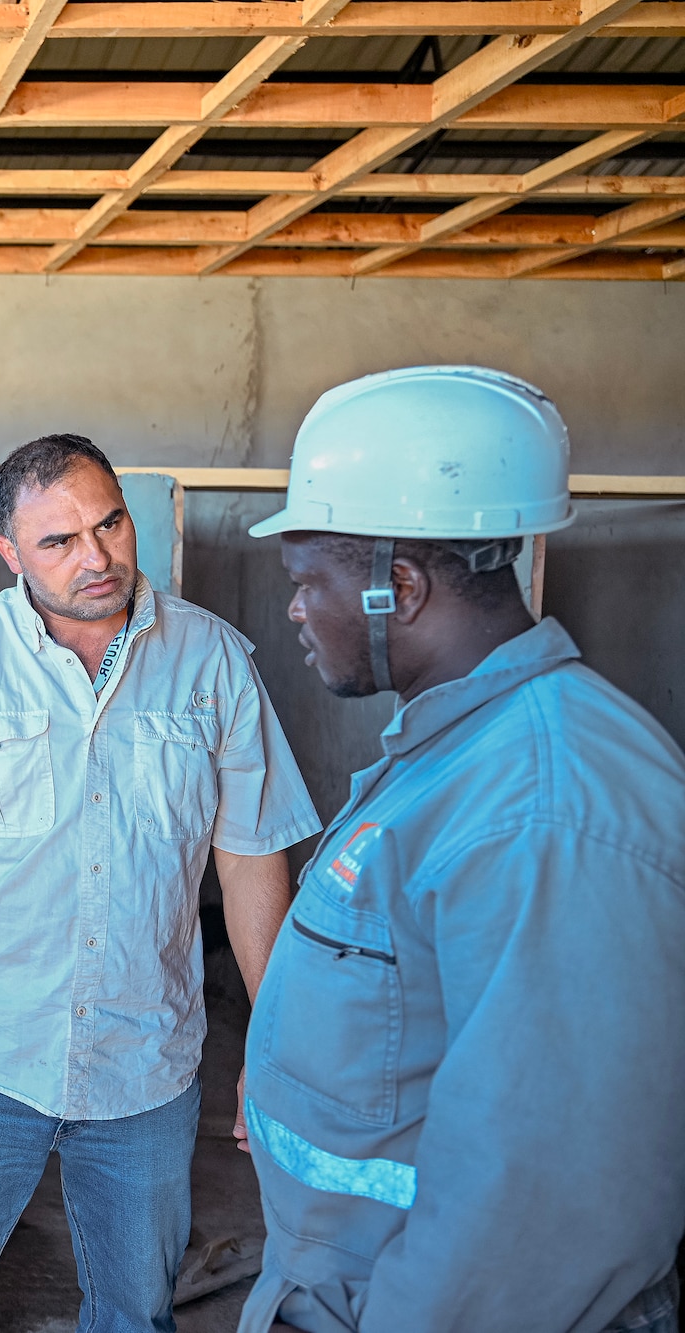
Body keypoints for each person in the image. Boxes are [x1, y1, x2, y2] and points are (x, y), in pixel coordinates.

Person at [239, 365, 685, 1333]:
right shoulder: (452, 751)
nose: (295, 610)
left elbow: (543, 1214)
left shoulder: (544, 809)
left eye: (306, 580)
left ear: (393, 587)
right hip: (345, 1286)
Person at [0, 434, 321, 1333]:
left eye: (108, 523)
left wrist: (275, 1051)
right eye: (58, 541)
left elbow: (253, 857)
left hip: (144, 1061)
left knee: (137, 1313)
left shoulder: (215, 662)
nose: (96, 558)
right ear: (10, 553)